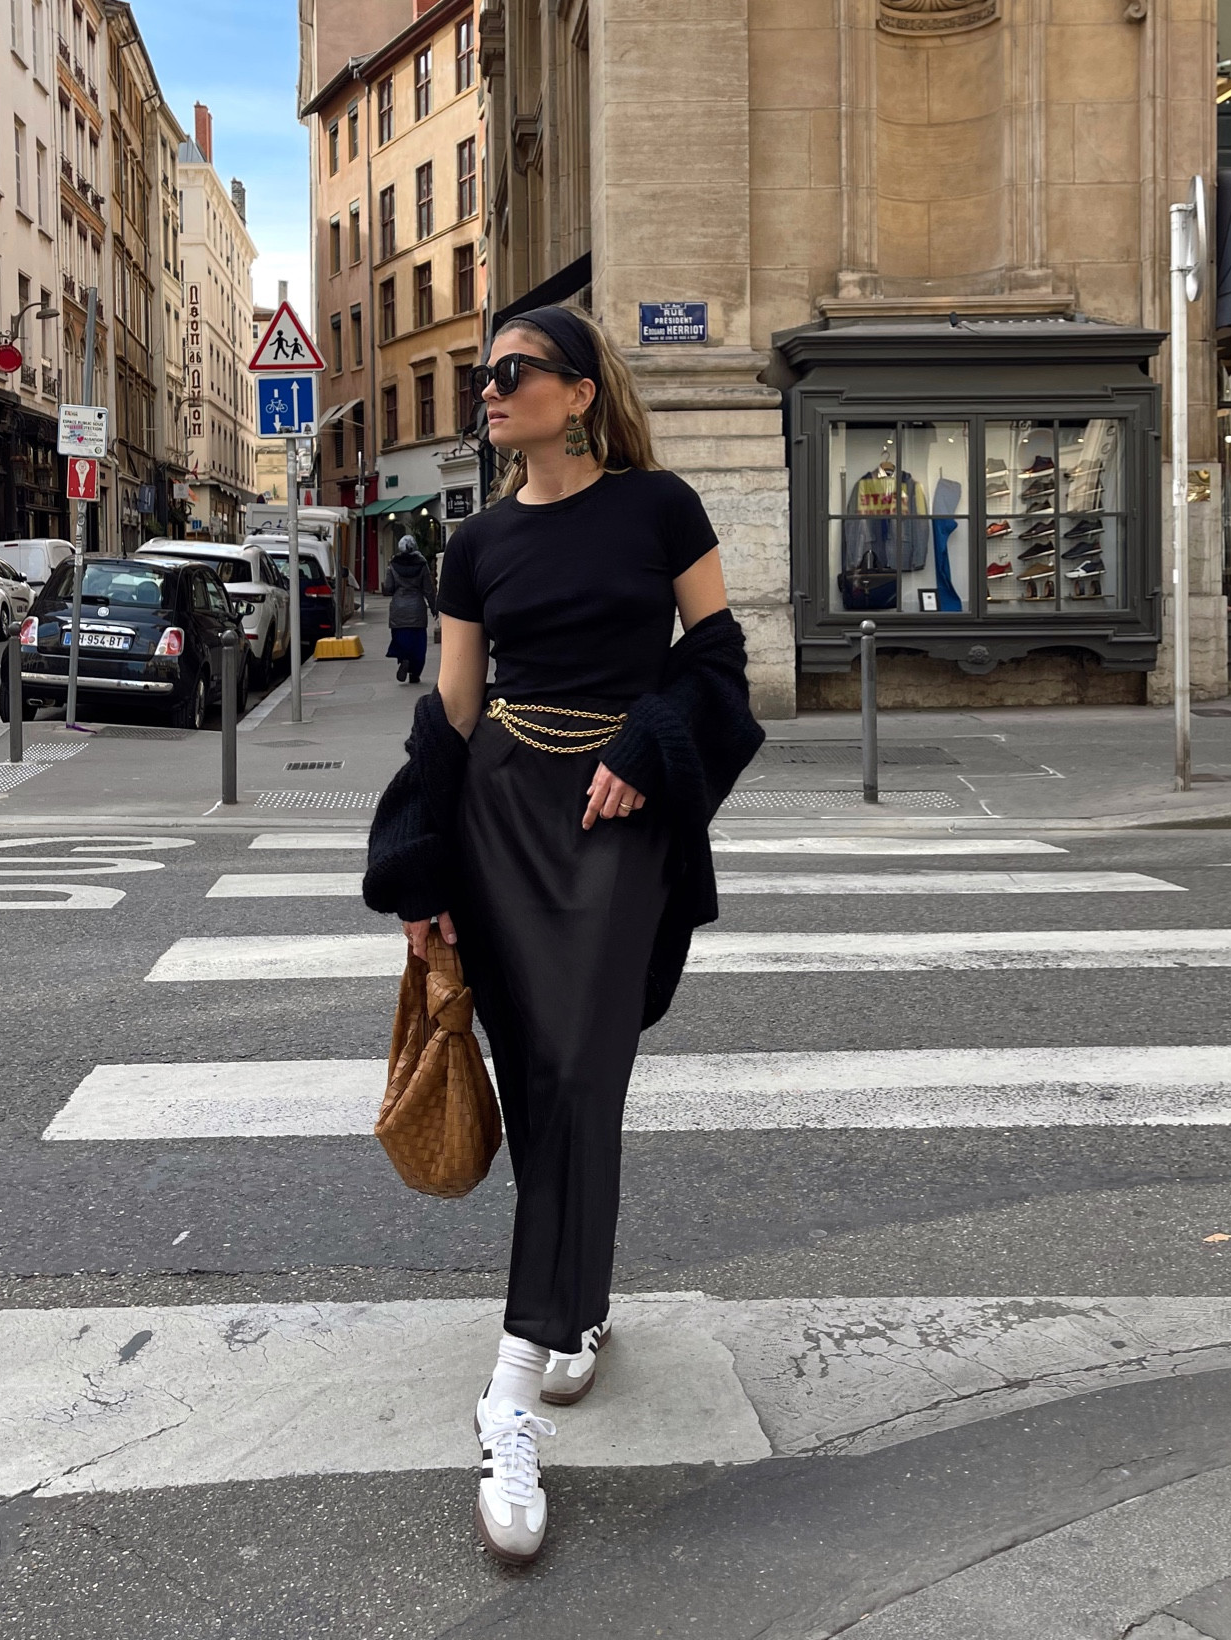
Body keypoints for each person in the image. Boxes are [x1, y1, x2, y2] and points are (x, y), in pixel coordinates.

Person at [363, 303, 763, 1566]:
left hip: (618, 815)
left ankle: (509, 1394)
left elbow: (721, 665)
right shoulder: (472, 544)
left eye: (512, 374)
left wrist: (650, 748)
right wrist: (417, 863)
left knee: (583, 1067)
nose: (487, 392)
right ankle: (573, 1311)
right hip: (500, 817)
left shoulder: (661, 509)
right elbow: (451, 711)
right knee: (545, 1078)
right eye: (484, 378)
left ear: (580, 392)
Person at [385, 534, 438, 684]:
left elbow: (388, 587)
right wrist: (434, 609)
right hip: (416, 609)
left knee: (401, 639)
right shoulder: (422, 564)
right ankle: (415, 673)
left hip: (398, 609)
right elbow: (428, 589)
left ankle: (404, 659)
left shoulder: (393, 564)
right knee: (418, 643)